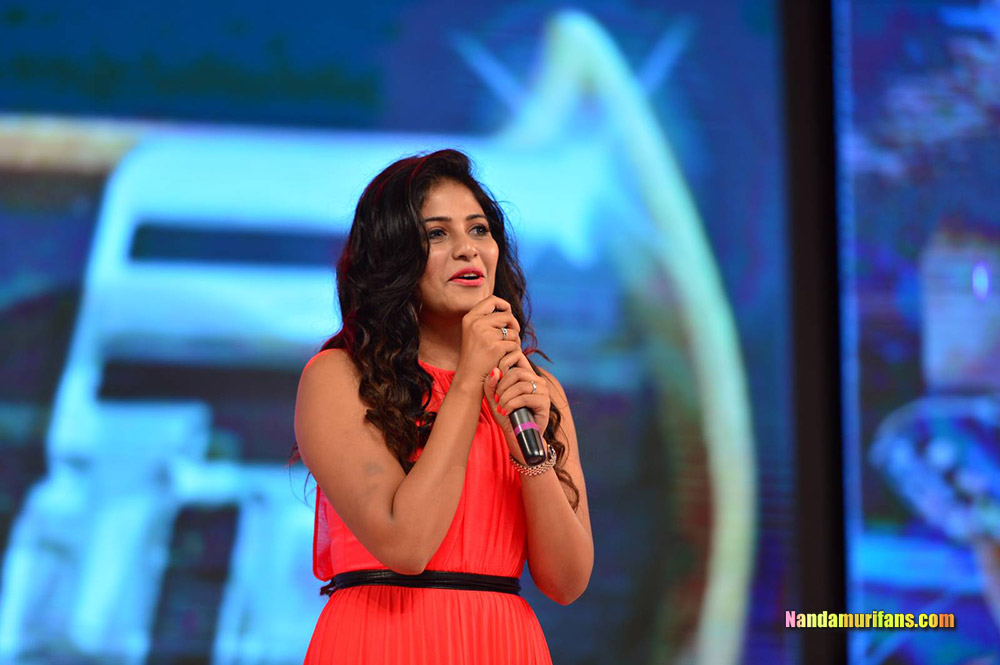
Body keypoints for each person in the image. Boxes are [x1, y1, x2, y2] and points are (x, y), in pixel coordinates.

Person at [292, 149, 593, 664]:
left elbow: (566, 582)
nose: (467, 250)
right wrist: (468, 383)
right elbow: (406, 545)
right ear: (393, 255)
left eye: (479, 230)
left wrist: (533, 456)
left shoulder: (534, 389)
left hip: (503, 644)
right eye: (437, 234)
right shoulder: (339, 377)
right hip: (383, 641)